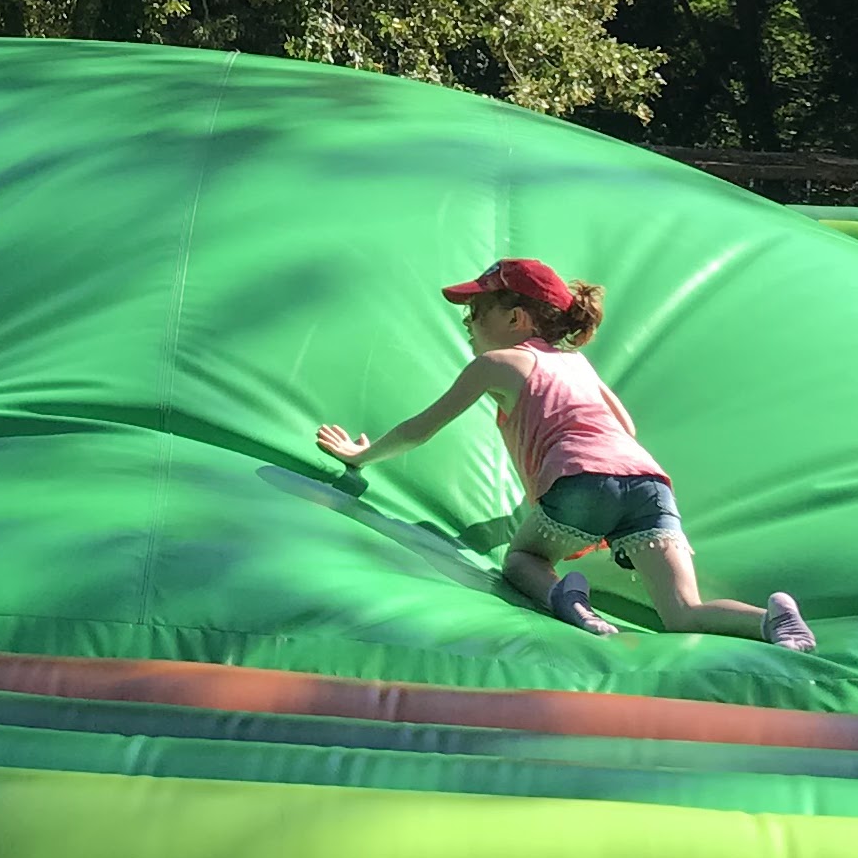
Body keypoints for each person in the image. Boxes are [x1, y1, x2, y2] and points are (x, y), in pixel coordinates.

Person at [311, 256, 813, 651]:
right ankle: (773, 620)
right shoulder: (577, 364)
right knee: (682, 612)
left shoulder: (498, 363)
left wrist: (361, 456)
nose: (468, 322)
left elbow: (421, 429)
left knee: (523, 558)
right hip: (648, 483)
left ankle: (567, 597)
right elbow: (625, 428)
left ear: (515, 317)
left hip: (581, 482)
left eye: (476, 312)